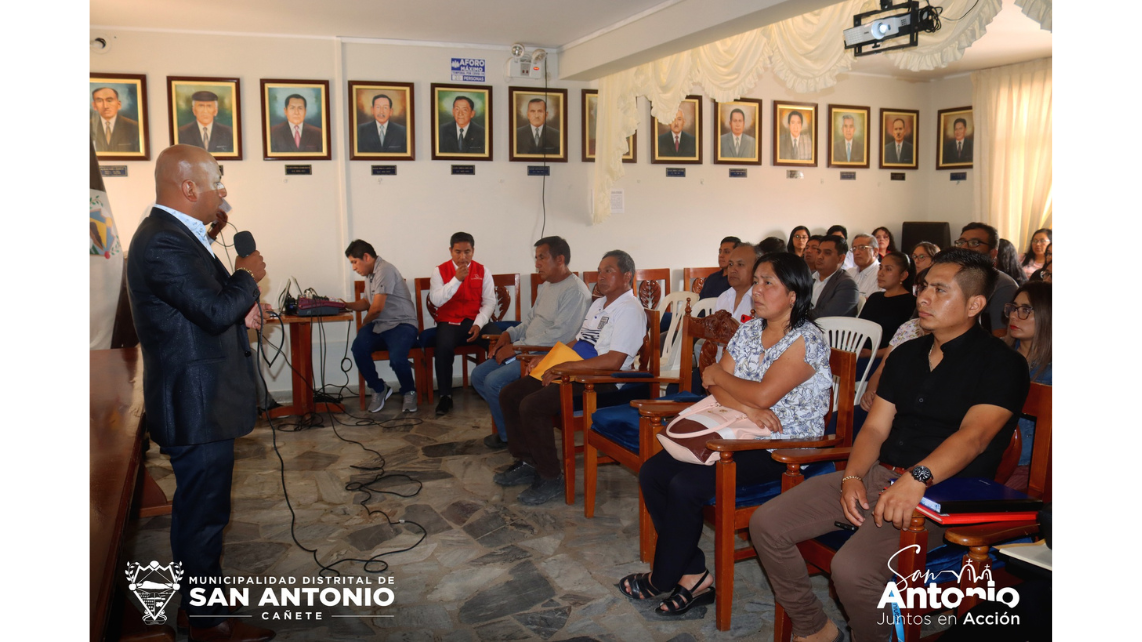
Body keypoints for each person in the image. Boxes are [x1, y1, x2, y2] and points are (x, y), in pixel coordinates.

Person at [750, 249, 1030, 642]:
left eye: (939, 290)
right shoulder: (907, 355)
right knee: (767, 523)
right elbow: (876, 429)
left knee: (853, 569)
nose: (923, 298)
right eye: (923, 287)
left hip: (943, 497)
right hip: (882, 475)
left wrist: (916, 480)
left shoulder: (1001, 364)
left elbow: (974, 437)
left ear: (975, 304)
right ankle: (815, 627)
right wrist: (852, 476)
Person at [619, 252, 833, 617]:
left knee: (686, 486)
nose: (758, 290)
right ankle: (693, 573)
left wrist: (730, 383)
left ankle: (663, 577)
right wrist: (746, 404)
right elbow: (712, 382)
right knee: (654, 472)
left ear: (794, 295)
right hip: (738, 427)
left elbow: (761, 392)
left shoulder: (807, 339)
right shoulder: (749, 329)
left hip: (781, 448)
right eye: (758, 281)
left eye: (769, 283)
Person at [126, 145, 275, 642]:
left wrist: (241, 305)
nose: (223, 191)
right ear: (188, 187)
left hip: (204, 397)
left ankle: (203, 604)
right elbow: (212, 311)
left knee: (206, 510)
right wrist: (246, 277)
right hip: (195, 401)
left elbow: (208, 306)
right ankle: (208, 624)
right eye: (216, 180)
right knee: (202, 515)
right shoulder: (163, 242)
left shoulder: (181, 236)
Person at [495, 250, 646, 506]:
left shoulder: (629, 310)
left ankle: (551, 477)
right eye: (599, 271)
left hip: (601, 381)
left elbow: (614, 360)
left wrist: (569, 366)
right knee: (510, 394)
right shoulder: (599, 303)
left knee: (532, 405)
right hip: (573, 369)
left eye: (608, 270)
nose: (601, 276)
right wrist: (550, 358)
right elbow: (579, 340)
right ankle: (528, 461)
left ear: (627, 276)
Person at [473, 237, 591, 449]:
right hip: (525, 347)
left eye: (542, 258)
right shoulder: (546, 285)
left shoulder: (575, 292)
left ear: (560, 259)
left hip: (543, 354)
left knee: (493, 382)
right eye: (536, 258)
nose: (537, 264)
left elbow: (561, 335)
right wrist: (509, 334)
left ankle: (514, 437)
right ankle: (512, 433)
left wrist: (517, 348)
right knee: (478, 376)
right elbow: (530, 321)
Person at [344, 240, 420, 413]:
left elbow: (376, 309)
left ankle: (409, 391)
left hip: (402, 323)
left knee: (397, 357)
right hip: (382, 325)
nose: (354, 267)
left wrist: (364, 323)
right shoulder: (370, 274)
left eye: (354, 262)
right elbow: (367, 302)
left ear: (366, 257)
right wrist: (345, 305)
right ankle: (379, 388)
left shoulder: (384, 269)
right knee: (359, 348)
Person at [428, 232, 495, 417]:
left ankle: (498, 388)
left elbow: (489, 302)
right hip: (450, 322)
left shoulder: (483, 271)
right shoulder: (439, 271)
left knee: (498, 339)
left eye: (467, 252)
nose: (462, 257)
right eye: (458, 252)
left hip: (475, 322)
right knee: (443, 346)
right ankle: (445, 396)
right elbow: (436, 300)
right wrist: (456, 279)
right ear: (450, 251)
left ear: (473, 251)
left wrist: (479, 324)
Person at [1003, 281, 1052, 491]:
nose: (1015, 315)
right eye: (1013, 308)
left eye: (1025, 310)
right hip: (985, 455)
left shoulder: (1052, 371)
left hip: (1027, 466)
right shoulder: (996, 356)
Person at [953, 222, 1019, 336]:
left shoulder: (1003, 285)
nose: (964, 247)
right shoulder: (949, 278)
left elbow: (1001, 337)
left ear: (993, 253)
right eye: (961, 242)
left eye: (974, 243)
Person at [857, 252, 915, 358]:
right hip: (860, 353)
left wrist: (873, 354)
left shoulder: (911, 303)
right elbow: (859, 328)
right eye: (880, 268)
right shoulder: (875, 297)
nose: (880, 273)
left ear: (903, 275)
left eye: (888, 269)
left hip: (885, 358)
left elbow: (905, 342)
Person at [810, 235, 858, 319]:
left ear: (841, 258)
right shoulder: (810, 276)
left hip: (829, 330)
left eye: (827, 253)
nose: (820, 256)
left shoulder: (847, 285)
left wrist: (793, 315)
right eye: (818, 252)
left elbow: (824, 316)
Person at [716, 243, 757, 323]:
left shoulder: (760, 301)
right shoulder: (723, 298)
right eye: (730, 264)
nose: (732, 270)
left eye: (740, 264)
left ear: (756, 269)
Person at [91, 86, 140, 153]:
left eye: (109, 100)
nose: (105, 106)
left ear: (119, 104)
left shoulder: (134, 126)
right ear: (94, 105)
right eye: (99, 101)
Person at [846, 234, 881, 299]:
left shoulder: (881, 274)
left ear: (875, 251)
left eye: (862, 248)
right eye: (854, 248)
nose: (856, 252)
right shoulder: (849, 272)